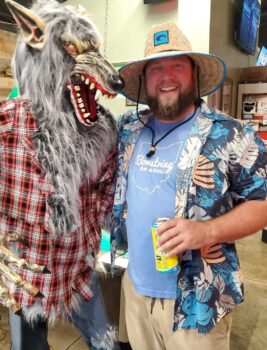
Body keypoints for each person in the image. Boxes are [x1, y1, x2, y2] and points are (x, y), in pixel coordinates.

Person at [111, 22, 267, 350]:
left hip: (199, 299)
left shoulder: (231, 135)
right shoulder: (129, 129)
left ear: (194, 74)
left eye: (177, 65)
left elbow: (263, 202)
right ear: (144, 79)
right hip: (137, 291)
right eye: (156, 69)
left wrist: (205, 232)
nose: (166, 77)